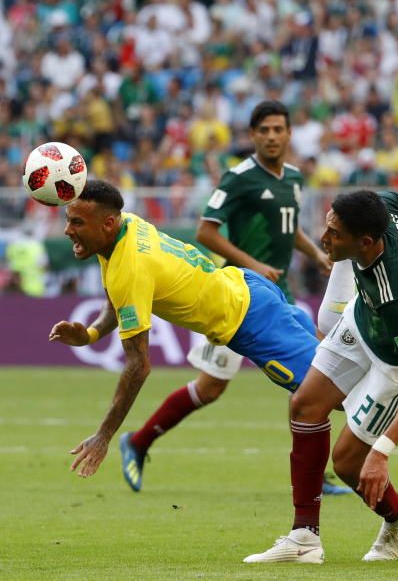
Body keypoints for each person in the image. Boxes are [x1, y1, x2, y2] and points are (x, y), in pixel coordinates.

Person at [118, 99, 350, 495]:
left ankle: (316, 473)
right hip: (235, 296)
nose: (272, 136)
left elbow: (289, 227)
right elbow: (207, 231)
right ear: (252, 135)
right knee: (210, 388)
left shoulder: (293, 178)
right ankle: (137, 441)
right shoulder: (239, 177)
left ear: (290, 133)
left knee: (312, 378)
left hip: (280, 295)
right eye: (264, 130)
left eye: (279, 129)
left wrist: (315, 254)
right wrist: (254, 264)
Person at [48, 178, 331, 480]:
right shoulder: (125, 226)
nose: (67, 231)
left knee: (333, 393)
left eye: (77, 222)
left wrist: (103, 435)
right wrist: (90, 335)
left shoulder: (130, 268)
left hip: (252, 320)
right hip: (245, 284)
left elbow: (138, 365)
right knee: (332, 374)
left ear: (106, 223)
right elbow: (115, 298)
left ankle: (369, 459)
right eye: (68, 220)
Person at [243, 189, 398, 565]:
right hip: (362, 321)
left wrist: (382, 453)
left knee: (347, 465)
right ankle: (304, 537)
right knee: (305, 405)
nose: (323, 238)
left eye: (335, 235)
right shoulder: (385, 203)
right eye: (328, 225)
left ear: (367, 241)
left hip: (396, 359)